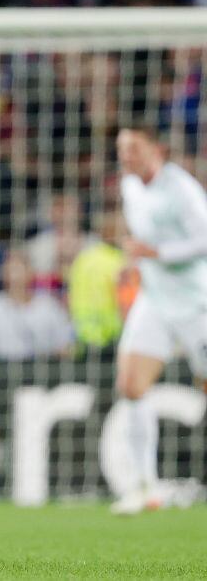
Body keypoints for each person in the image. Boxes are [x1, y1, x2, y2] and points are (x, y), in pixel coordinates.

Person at [111, 123, 207, 515]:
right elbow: (142, 237)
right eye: (121, 148)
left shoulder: (182, 189)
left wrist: (156, 253)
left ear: (157, 149)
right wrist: (134, 263)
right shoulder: (130, 187)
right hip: (155, 300)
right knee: (131, 385)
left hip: (198, 303)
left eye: (133, 148)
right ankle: (147, 487)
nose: (125, 156)